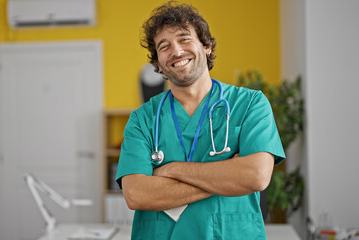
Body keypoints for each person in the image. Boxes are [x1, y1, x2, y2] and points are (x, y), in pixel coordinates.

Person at [115, 2, 285, 239]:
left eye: (184, 39)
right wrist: (227, 177)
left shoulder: (250, 104)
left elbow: (255, 176)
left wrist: (172, 170)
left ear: (205, 46)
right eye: (164, 46)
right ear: (158, 63)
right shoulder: (143, 120)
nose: (176, 51)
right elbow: (136, 195)